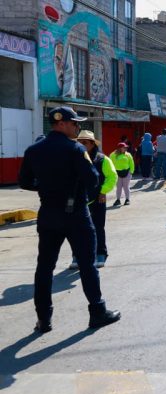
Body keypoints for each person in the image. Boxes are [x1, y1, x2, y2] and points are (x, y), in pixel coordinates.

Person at [17, 106, 121, 333]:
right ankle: (97, 312)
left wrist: (46, 188)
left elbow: (24, 181)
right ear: (62, 124)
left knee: (44, 267)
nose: (77, 127)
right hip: (76, 215)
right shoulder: (75, 149)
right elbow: (93, 180)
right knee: (87, 265)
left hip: (48, 214)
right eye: (75, 123)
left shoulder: (33, 150)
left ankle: (44, 319)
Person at [74, 130, 117, 269]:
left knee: (98, 228)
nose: (82, 145)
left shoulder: (102, 159)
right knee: (77, 230)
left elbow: (112, 176)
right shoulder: (73, 158)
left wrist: (103, 191)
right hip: (78, 200)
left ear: (92, 144)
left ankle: (100, 254)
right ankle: (77, 256)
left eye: (85, 142)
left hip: (97, 199)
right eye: (79, 142)